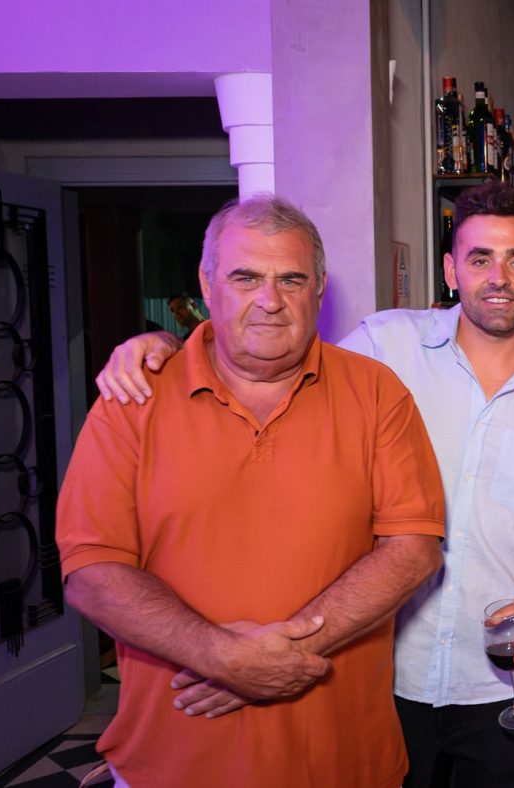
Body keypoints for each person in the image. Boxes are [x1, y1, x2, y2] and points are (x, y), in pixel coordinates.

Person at [91, 182, 514, 787]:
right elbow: (274, 364)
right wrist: (168, 350)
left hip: (508, 670)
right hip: (382, 667)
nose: (498, 277)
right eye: (479, 259)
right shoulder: (385, 345)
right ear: (450, 271)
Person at [57, 194, 447, 787]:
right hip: (174, 760)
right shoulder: (134, 398)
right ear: (207, 283)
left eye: (292, 279)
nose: (270, 300)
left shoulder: (375, 392)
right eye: (246, 277)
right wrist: (220, 656)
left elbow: (413, 549)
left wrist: (273, 658)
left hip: (342, 760)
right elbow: (90, 568)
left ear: (319, 288)